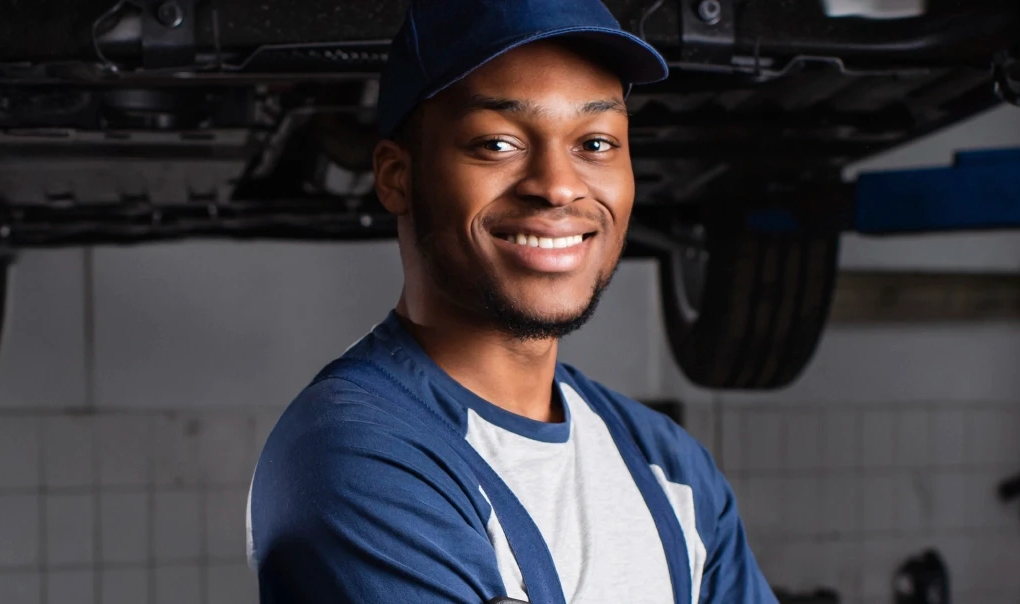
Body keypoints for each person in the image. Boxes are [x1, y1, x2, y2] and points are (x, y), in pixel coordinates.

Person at [245, 0, 775, 602]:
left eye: (596, 143)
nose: (557, 185)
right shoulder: (357, 458)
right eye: (497, 143)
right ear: (396, 177)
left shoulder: (670, 466)